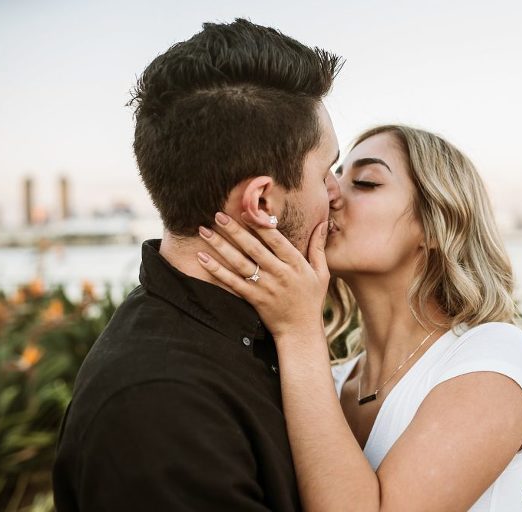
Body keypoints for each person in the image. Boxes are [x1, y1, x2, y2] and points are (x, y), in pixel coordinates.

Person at [52, 19, 343, 511]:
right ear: (263, 201)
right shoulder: (160, 407)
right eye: (327, 171)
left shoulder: (250, 331)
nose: (338, 193)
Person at [196, 124, 522, 511]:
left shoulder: (492, 356)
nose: (331, 193)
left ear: (434, 224)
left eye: (364, 182)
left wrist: (297, 329)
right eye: (335, 175)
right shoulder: (327, 382)